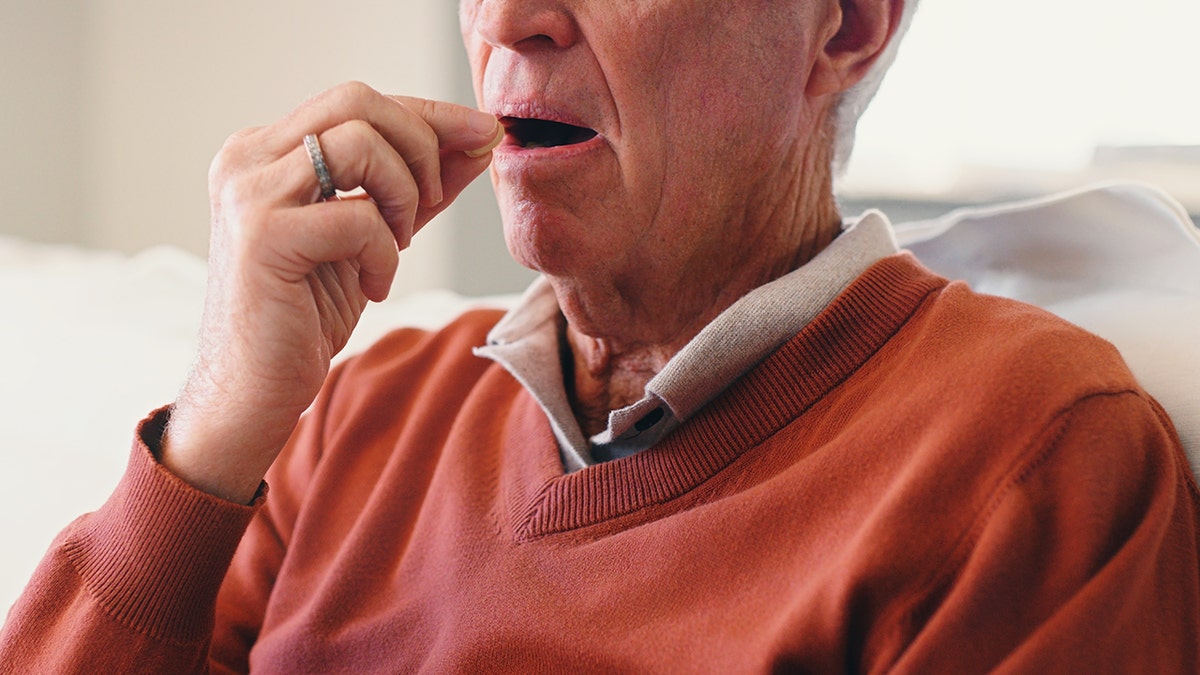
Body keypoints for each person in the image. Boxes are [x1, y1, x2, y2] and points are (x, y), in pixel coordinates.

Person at [2, 0, 1198, 671]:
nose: (511, 18)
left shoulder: (1029, 456)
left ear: (845, 28)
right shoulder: (360, 413)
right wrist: (212, 435)